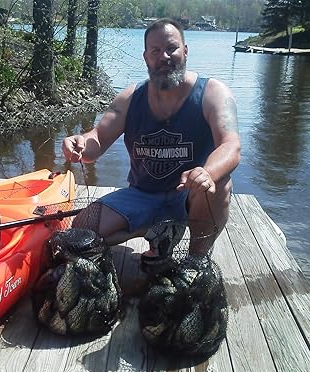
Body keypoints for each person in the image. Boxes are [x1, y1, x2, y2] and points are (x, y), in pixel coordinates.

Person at [62, 18, 241, 257]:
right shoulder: (129, 99)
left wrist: (207, 172)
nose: (164, 57)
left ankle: (195, 260)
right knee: (83, 228)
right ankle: (157, 231)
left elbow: (231, 146)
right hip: (142, 194)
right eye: (155, 51)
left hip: (190, 195)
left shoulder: (213, 93)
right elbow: (98, 140)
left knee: (219, 183)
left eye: (171, 48)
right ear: (146, 57)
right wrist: (81, 144)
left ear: (185, 51)